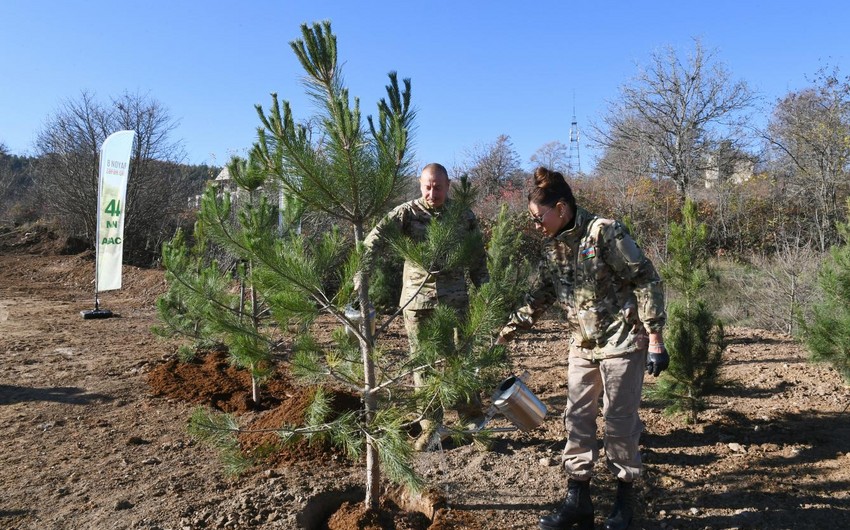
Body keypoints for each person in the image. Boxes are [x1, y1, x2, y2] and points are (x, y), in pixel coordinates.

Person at [496, 167, 668, 530]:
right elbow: (538, 297)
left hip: (621, 342)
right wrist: (503, 332)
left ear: (561, 208)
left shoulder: (605, 232)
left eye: (538, 217)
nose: (536, 225)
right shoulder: (553, 247)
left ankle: (624, 502)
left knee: (620, 424)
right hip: (582, 344)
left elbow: (647, 278)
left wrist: (655, 338)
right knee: (576, 420)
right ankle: (578, 500)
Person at [363, 162, 489, 450]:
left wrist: (486, 287)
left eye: (439, 187)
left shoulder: (462, 215)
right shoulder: (407, 213)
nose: (433, 193)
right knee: (424, 363)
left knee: (462, 360)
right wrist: (362, 271)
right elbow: (375, 238)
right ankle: (431, 425)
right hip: (418, 301)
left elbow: (478, 256)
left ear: (448, 186)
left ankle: (472, 420)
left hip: (456, 300)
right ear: (421, 186)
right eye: (428, 187)